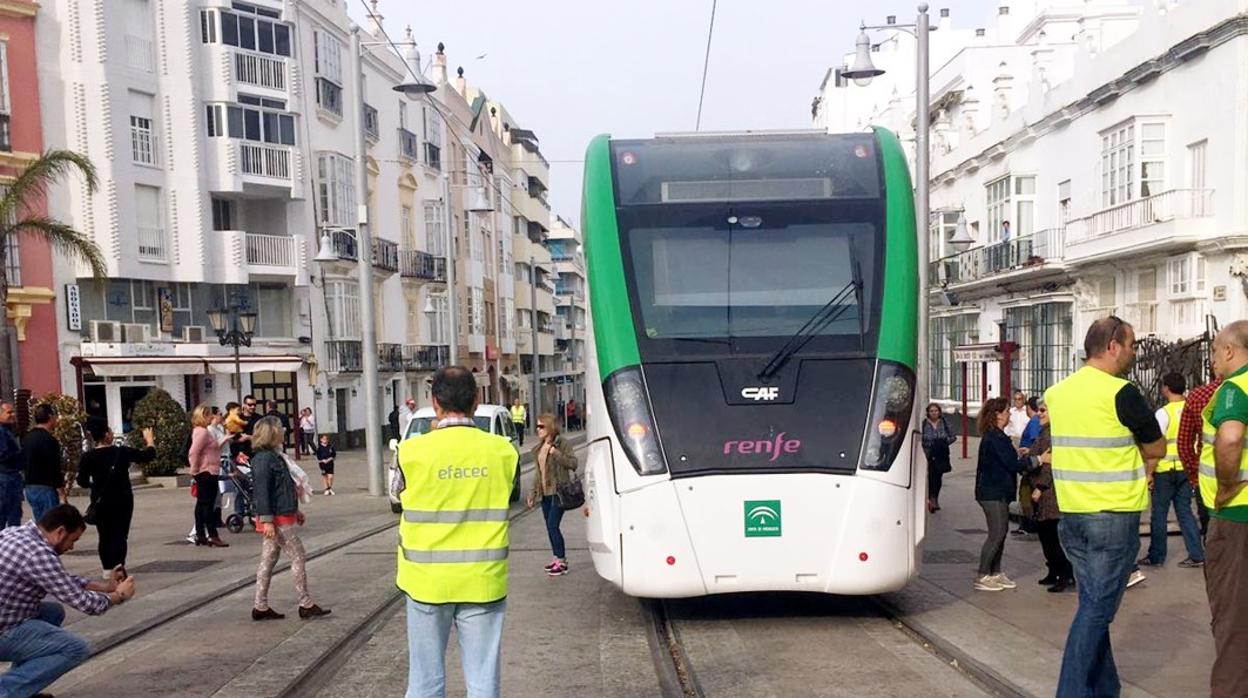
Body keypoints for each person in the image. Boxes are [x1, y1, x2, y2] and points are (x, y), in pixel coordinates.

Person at [1044, 316, 1165, 697]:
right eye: (1130, 345)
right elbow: (1157, 447)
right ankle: (1072, 692)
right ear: (1113, 346)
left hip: (1073, 515)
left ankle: (1104, 689)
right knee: (1097, 610)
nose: (1132, 352)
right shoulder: (1121, 392)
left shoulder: (1057, 392)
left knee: (1092, 603)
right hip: (1112, 516)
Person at [393, 366, 518, 697]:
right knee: (482, 683)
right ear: (476, 402)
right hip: (483, 580)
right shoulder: (503, 451)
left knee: (425, 681)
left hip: (425, 583)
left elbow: (397, 496)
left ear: (434, 402)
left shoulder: (410, 452)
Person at [0, 505, 136, 697]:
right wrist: (119, 596)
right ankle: (6, 692)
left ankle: (22, 687)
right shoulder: (39, 555)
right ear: (60, 532)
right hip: (3, 629)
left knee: (53, 612)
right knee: (74, 648)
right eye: (73, 540)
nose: (71, 547)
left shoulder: (14, 533)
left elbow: (60, 580)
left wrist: (106, 587)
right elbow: (87, 604)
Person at [1198, 320, 1248, 696]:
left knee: (1233, 621)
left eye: (1215, 351)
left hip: (1236, 518)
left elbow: (1230, 438)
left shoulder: (1234, 388)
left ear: (1229, 351)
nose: (1213, 358)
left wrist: (1228, 485)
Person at [250, 416, 329, 621]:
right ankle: (305, 603)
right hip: (276, 518)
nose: (285, 432)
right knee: (297, 556)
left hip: (282, 515)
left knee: (268, 560)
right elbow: (262, 492)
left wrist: (296, 511)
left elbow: (284, 488)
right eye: (281, 429)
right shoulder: (264, 460)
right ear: (272, 433)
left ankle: (260, 606)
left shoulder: (276, 457)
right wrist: (267, 520)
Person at [76, 418, 157, 577]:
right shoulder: (121, 452)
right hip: (122, 499)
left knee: (104, 535)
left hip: (100, 501)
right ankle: (119, 566)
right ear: (106, 435)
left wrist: (95, 483)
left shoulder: (88, 456)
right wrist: (150, 440)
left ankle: (107, 568)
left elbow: (82, 481)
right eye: (110, 431)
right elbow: (147, 455)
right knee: (120, 534)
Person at [1139, 372, 1204, 569]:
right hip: (1186, 468)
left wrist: (1149, 473)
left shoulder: (1163, 413)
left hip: (1165, 470)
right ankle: (1196, 554)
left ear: (1166, 388)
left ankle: (1157, 556)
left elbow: (1155, 446)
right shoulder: (1192, 409)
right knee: (1185, 512)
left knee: (1159, 514)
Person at [973, 396, 1035, 592]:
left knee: (1001, 532)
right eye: (1007, 411)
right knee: (997, 533)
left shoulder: (998, 436)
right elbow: (1012, 464)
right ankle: (983, 574)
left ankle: (995, 572)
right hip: (992, 492)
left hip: (999, 491)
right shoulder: (994, 437)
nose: (1009, 414)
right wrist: (1037, 460)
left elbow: (1009, 459)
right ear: (998, 415)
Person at [1028, 398, 1074, 592]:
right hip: (1047, 493)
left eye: (1043, 410)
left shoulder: (1051, 435)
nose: (1039, 414)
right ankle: (1054, 571)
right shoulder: (1044, 433)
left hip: (1050, 494)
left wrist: (1040, 486)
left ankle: (1064, 575)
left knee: (1051, 536)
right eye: (1039, 410)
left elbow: (1051, 463)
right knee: (1046, 536)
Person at [527, 414, 579, 577]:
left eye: (541, 426)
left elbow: (573, 463)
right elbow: (538, 473)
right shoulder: (539, 448)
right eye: (537, 426)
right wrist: (532, 493)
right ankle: (556, 558)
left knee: (552, 525)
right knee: (550, 527)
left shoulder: (562, 443)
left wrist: (555, 452)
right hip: (545, 494)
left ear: (550, 427)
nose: (538, 430)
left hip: (558, 492)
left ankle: (562, 561)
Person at [1179, 374, 1222, 539]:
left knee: (1212, 538)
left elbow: (1184, 444)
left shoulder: (1198, 396)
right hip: (1241, 484)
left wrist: (1194, 476)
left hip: (1207, 482)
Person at [188, 405, 228, 548]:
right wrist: (194, 469)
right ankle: (212, 534)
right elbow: (194, 451)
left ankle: (200, 534)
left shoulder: (199, 431)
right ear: (203, 416)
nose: (211, 417)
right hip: (206, 471)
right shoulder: (203, 432)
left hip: (205, 470)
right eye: (209, 415)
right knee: (208, 505)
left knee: (201, 504)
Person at [23, 404, 64, 523]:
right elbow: (54, 467)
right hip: (46, 487)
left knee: (40, 522)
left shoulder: (27, 438)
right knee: (50, 524)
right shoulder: (50, 440)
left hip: (30, 486)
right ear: (50, 417)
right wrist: (61, 492)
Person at [920, 403, 955, 513]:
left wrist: (943, 443)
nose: (934, 413)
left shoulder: (944, 422)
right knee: (931, 475)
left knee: (938, 476)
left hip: (941, 453)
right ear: (928, 413)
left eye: (936, 411)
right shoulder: (924, 424)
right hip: (929, 453)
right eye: (931, 411)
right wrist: (929, 444)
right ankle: (931, 498)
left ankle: (935, 497)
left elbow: (953, 436)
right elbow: (920, 437)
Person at [0, 402, 22, 530]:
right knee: (6, 513)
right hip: (6, 477)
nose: (13, 415)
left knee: (14, 513)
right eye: (9, 412)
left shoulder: (8, 431)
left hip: (11, 476)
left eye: (13, 412)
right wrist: (19, 455)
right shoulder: (1, 432)